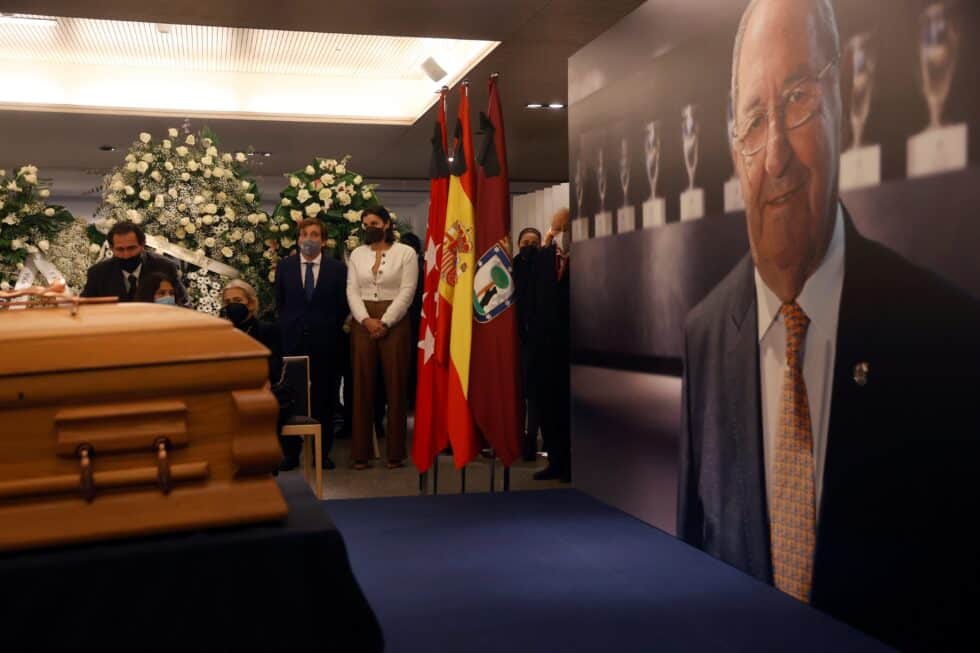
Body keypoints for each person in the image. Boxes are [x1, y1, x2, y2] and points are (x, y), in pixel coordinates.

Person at [677, 2, 980, 650]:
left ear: (840, 99)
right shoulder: (704, 337)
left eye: (798, 98)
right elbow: (693, 560)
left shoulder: (945, 336)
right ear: (735, 150)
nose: (777, 153)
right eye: (755, 120)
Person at [346, 206, 418, 470]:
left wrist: (385, 321)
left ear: (387, 224)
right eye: (365, 224)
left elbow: (407, 291)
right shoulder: (357, 254)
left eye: (374, 223)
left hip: (395, 322)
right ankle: (360, 452)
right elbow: (352, 290)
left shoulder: (406, 253)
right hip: (363, 320)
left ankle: (396, 452)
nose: (369, 228)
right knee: (362, 385)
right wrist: (365, 319)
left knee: (396, 386)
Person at [275, 217, 348, 471]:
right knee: (291, 399)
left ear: (323, 241)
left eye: (315, 234)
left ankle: (322, 453)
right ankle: (291, 453)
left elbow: (343, 306)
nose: (309, 239)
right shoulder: (284, 267)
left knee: (324, 399)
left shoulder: (337, 269)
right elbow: (281, 303)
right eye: (304, 234)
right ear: (297, 239)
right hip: (293, 342)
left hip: (325, 343)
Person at [530, 210, 571, 483]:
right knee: (548, 407)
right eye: (556, 229)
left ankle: (572, 464)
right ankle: (555, 461)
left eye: (563, 229)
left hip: (573, 346)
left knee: (570, 410)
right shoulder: (544, 259)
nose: (559, 234)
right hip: (545, 347)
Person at [82, 221, 187, 304]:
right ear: (111, 248)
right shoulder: (97, 274)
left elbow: (183, 304)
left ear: (142, 245)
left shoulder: (165, 267)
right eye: (120, 249)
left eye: (131, 248)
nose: (126, 255)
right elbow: (85, 308)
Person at [512, 227, 542, 462]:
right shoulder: (510, 267)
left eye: (534, 242)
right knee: (516, 390)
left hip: (539, 341)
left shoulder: (545, 269)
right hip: (515, 338)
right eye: (525, 241)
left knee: (534, 393)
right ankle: (515, 436)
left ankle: (531, 438)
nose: (529, 246)